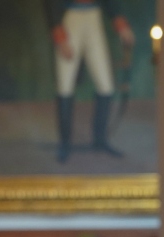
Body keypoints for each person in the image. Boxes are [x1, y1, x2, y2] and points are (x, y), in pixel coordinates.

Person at [45, 0, 136, 162]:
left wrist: (121, 25)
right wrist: (60, 37)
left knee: (106, 86)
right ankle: (65, 143)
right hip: (70, 18)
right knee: (64, 86)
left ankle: (99, 141)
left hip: (94, 18)